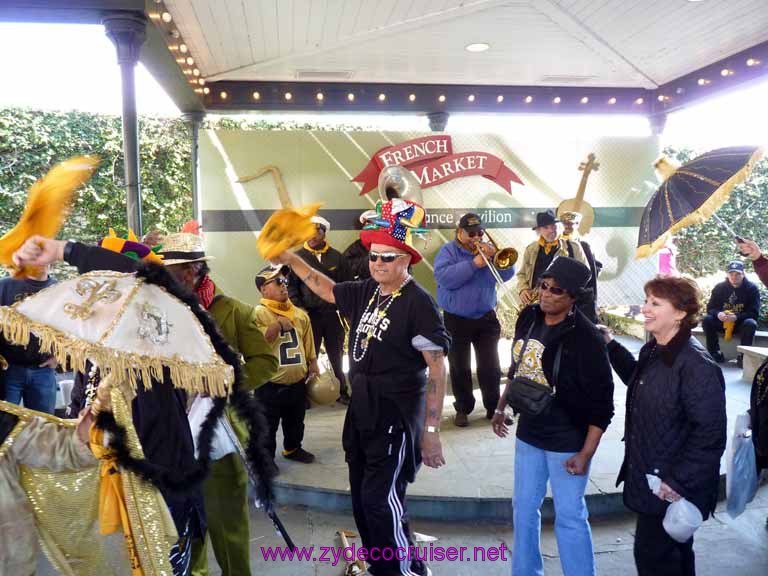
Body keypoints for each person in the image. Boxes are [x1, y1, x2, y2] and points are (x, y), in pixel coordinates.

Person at [273, 197, 450, 576]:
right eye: (374, 256)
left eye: (387, 257)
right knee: (364, 498)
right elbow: (324, 287)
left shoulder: (419, 302)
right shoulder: (367, 290)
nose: (378, 263)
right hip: (362, 409)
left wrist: (431, 432)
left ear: (406, 260)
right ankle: (392, 564)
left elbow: (437, 370)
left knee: (379, 500)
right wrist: (290, 259)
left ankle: (399, 571)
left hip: (396, 412)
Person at [156, 232, 279, 576]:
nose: (174, 276)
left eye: (181, 269)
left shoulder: (233, 311)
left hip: (220, 435)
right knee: (184, 529)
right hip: (172, 437)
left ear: (199, 269)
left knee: (229, 530)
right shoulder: (156, 313)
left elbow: (265, 362)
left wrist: (227, 385)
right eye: (169, 269)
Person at [492, 257, 614, 576]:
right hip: (529, 433)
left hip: (567, 440)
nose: (545, 293)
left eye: (556, 289)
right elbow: (518, 368)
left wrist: (586, 453)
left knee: (570, 515)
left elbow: (604, 405)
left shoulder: (587, 339)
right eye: (543, 285)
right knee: (523, 510)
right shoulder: (528, 317)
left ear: (573, 297)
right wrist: (502, 406)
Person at [599, 275, 726, 576]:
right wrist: (611, 345)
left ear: (681, 313)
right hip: (652, 477)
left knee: (654, 558)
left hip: (669, 487)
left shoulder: (696, 366)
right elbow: (640, 381)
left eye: (656, 303)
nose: (645, 308)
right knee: (672, 557)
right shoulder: (654, 350)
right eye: (646, 301)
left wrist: (677, 482)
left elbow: (710, 435)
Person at [434, 212, 515, 427]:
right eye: (470, 233)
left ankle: (493, 408)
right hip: (456, 319)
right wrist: (474, 264)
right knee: (459, 365)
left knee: (491, 365)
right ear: (459, 232)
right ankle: (463, 408)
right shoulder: (448, 251)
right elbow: (444, 278)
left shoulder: (488, 250)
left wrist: (496, 258)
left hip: (486, 317)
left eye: (479, 232)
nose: (476, 237)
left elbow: (507, 275)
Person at [254, 265, 318, 466]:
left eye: (285, 281)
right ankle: (266, 459)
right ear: (264, 289)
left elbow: (308, 342)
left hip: (297, 381)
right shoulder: (258, 313)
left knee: (296, 420)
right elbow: (257, 343)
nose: (284, 286)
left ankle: (293, 448)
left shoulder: (299, 314)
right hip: (269, 383)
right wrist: (277, 325)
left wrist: (313, 363)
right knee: (267, 425)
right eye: (278, 282)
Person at [288, 215, 352, 403]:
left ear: (324, 233)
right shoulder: (297, 257)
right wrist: (300, 308)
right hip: (310, 316)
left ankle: (341, 391)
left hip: (332, 315)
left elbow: (346, 284)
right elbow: (291, 286)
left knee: (337, 355)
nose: (312, 237)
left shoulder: (337, 257)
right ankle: (306, 395)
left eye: (316, 232)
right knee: (310, 355)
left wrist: (345, 310)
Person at [0, 266, 58, 413]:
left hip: (44, 370)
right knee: (4, 423)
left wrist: (60, 357)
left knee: (44, 424)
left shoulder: (59, 290)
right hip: (8, 369)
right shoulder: (5, 285)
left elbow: (72, 328)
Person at [516, 210, 587, 306]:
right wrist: (523, 289)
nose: (551, 230)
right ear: (539, 230)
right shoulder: (530, 249)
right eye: (546, 227)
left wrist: (569, 296)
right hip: (535, 303)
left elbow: (585, 275)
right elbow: (521, 274)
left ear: (559, 226)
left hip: (561, 304)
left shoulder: (574, 247)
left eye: (554, 226)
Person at [701, 260, 760, 366]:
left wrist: (736, 317)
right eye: (731, 274)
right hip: (722, 322)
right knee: (707, 320)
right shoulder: (719, 287)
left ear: (743, 274)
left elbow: (754, 313)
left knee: (751, 323)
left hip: (740, 324)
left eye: (738, 274)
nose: (734, 277)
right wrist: (719, 314)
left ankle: (743, 357)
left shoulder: (752, 289)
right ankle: (714, 353)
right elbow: (710, 308)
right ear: (727, 274)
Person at [560, 211, 602, 323]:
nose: (568, 226)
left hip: (580, 292)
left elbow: (593, 269)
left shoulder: (584, 245)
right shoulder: (556, 243)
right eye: (565, 224)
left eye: (571, 224)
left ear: (577, 224)